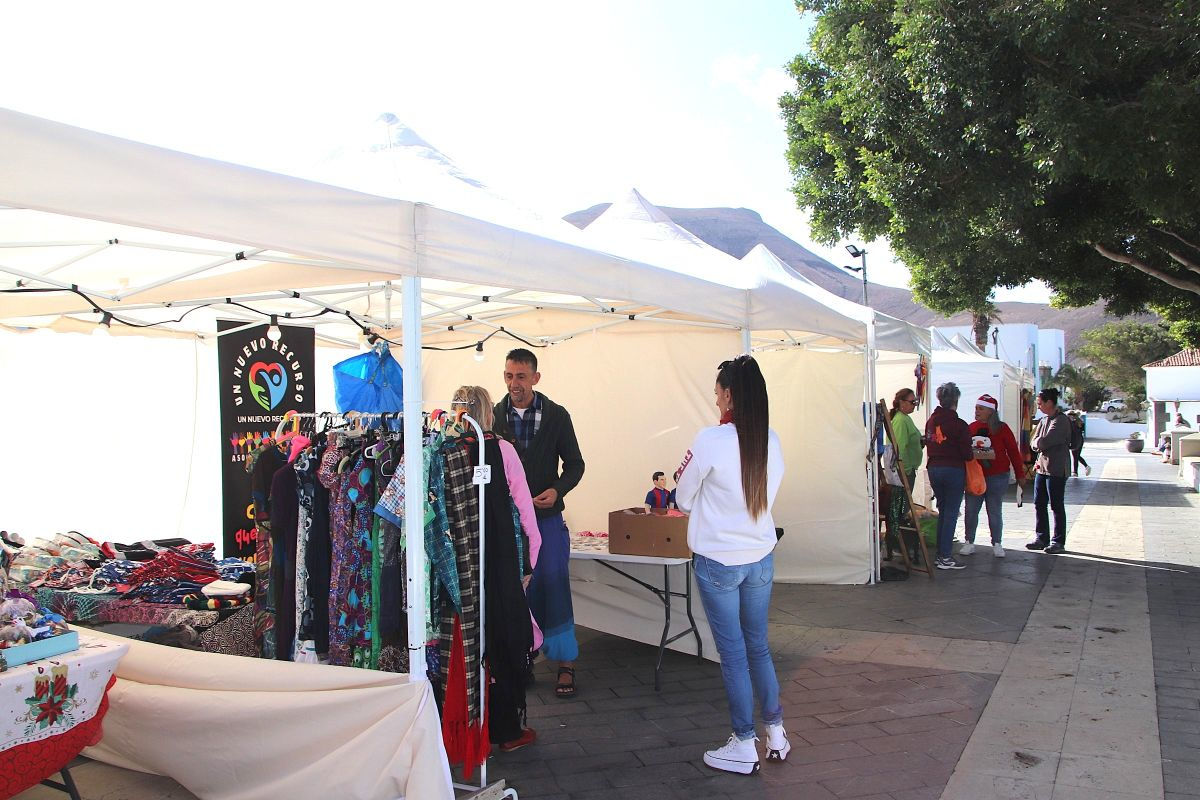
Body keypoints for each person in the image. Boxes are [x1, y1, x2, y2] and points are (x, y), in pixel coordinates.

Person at [675, 355, 788, 774]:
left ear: (729, 395)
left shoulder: (710, 440)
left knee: (734, 653)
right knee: (758, 645)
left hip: (718, 560)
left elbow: (682, 497)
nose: (716, 398)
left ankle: (743, 742)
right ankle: (775, 732)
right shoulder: (770, 439)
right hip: (759, 557)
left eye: (718, 392)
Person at [452, 385, 541, 752]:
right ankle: (505, 730)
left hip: (459, 566)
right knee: (503, 641)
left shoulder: (444, 452)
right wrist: (531, 558)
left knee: (468, 641)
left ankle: (465, 729)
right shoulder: (502, 450)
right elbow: (525, 509)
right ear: (489, 412)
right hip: (501, 561)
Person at [491, 348, 585, 698]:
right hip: (509, 524)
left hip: (546, 518)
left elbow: (575, 464)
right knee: (516, 590)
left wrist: (557, 490)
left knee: (555, 584)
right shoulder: (494, 417)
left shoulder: (557, 415)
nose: (513, 383)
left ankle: (565, 663)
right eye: (508, 375)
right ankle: (523, 658)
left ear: (535, 377)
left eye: (520, 376)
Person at [961, 394, 1024, 558]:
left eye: (981, 408)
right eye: (976, 408)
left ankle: (997, 543)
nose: (976, 411)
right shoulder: (971, 427)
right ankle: (969, 542)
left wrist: (1020, 474)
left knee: (994, 510)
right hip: (976, 477)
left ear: (990, 411)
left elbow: (1013, 452)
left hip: (998, 476)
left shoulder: (1002, 428)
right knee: (971, 510)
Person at [924, 382, 974, 570]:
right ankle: (944, 555)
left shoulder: (931, 421)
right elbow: (967, 453)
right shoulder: (958, 424)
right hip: (953, 469)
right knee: (950, 513)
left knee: (943, 510)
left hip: (934, 468)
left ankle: (941, 554)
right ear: (955, 401)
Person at [1027, 387, 1072, 554]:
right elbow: (1033, 442)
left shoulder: (1061, 421)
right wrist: (1038, 442)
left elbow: (1045, 442)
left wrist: (1038, 442)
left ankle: (1058, 541)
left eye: (1040, 403)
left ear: (1050, 402)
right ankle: (1042, 538)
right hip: (1042, 469)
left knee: (1056, 505)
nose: (1038, 407)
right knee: (1039, 503)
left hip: (1056, 470)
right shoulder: (1044, 420)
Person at [885, 388, 923, 560]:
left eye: (915, 402)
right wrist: (904, 471)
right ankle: (896, 545)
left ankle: (898, 545)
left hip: (906, 471)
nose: (914, 405)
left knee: (901, 510)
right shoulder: (900, 420)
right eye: (912, 402)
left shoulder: (905, 418)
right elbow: (898, 449)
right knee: (899, 510)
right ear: (901, 402)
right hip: (903, 472)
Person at [1068, 411, 1091, 477]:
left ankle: (1076, 472)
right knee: (1076, 456)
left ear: (1071, 416)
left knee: (1076, 456)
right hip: (1079, 440)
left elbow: (1072, 433)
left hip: (1075, 440)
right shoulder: (1079, 421)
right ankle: (1079, 470)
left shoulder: (1073, 423)